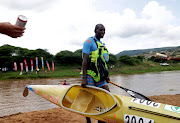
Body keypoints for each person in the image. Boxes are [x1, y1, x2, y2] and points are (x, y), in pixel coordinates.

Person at [81, 24, 110, 123]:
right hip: (89, 74)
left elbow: (103, 63)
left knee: (106, 95)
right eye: (100, 30)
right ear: (95, 30)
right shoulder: (89, 42)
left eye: (104, 30)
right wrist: (84, 78)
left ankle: (100, 119)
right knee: (90, 98)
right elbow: (84, 61)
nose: (102, 32)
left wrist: (106, 76)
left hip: (100, 75)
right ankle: (88, 120)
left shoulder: (102, 44)